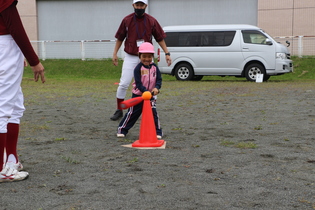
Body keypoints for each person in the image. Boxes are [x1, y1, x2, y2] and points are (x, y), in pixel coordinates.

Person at [0, 0, 46, 182]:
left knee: (15, 105)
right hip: (5, 47)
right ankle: (3, 171)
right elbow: (15, 26)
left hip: (6, 47)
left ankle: (11, 158)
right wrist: (33, 59)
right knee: (3, 108)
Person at [111, 0, 171, 121]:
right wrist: (115, 53)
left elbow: (159, 38)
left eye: (141, 5)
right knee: (123, 83)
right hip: (131, 55)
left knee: (150, 82)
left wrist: (167, 53)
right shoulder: (127, 20)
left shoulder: (152, 21)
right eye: (137, 5)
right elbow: (120, 38)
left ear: (145, 6)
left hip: (147, 57)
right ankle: (119, 109)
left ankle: (151, 106)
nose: (139, 7)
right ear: (133, 5)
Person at [117, 42, 162, 138]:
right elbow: (138, 83)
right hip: (139, 95)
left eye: (149, 56)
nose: (147, 59)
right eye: (144, 56)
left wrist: (157, 88)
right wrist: (145, 90)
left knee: (153, 113)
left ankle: (158, 132)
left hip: (151, 96)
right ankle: (122, 129)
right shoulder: (138, 68)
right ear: (139, 56)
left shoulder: (155, 67)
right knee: (132, 113)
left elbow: (159, 79)